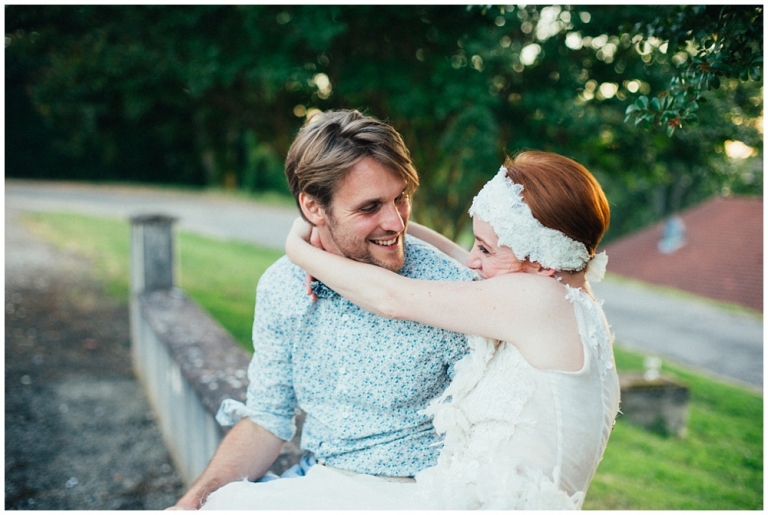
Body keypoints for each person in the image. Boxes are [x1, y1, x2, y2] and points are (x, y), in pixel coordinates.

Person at [202, 150, 620, 510]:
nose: (471, 262)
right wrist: (337, 225)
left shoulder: (537, 302)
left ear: (543, 262)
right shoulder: (562, 300)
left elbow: (391, 298)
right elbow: (458, 257)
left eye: (486, 249)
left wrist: (298, 246)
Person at [170, 110, 473, 510]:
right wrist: (189, 503)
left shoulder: (451, 289)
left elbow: (485, 441)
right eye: (370, 207)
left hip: (422, 492)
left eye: (401, 198)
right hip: (320, 480)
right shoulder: (283, 287)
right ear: (314, 209)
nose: (396, 222)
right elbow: (267, 419)